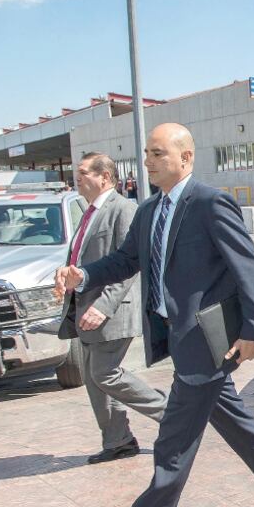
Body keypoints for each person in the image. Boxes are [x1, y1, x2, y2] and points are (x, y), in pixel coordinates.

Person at [55, 123, 254, 507]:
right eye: (147, 154)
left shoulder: (210, 203)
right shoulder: (149, 211)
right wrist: (86, 275)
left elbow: (248, 267)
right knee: (227, 413)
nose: (148, 162)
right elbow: (126, 260)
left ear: (185, 157)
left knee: (173, 442)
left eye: (158, 153)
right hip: (177, 336)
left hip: (208, 341)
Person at [58, 152, 168, 464]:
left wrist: (103, 306)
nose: (77, 177)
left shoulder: (123, 209)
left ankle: (171, 412)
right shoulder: (88, 212)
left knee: (104, 373)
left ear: (105, 177)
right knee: (95, 380)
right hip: (84, 308)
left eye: (83, 172)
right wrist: (65, 278)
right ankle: (118, 441)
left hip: (110, 310)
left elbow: (128, 265)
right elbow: (81, 258)